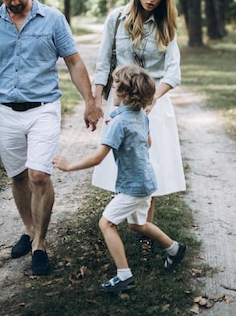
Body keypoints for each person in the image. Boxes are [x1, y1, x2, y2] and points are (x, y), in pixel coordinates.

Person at [0, 0, 103, 276]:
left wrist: (89, 101)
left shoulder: (53, 19)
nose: (14, 2)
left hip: (43, 109)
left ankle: (40, 243)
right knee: (17, 176)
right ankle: (29, 229)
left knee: (39, 175)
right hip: (5, 112)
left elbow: (73, 62)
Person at [53, 65, 186, 292]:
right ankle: (174, 248)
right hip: (146, 183)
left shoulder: (119, 123)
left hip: (132, 187)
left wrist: (69, 166)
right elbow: (149, 142)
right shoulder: (140, 116)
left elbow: (98, 158)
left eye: (114, 87)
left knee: (106, 223)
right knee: (138, 225)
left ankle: (124, 276)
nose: (112, 91)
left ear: (123, 94)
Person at [92, 0, 185, 226]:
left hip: (153, 103)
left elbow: (173, 73)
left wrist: (153, 99)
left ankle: (144, 228)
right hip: (121, 103)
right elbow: (102, 64)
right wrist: (96, 101)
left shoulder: (167, 26)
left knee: (149, 165)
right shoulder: (116, 18)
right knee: (119, 163)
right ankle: (114, 223)